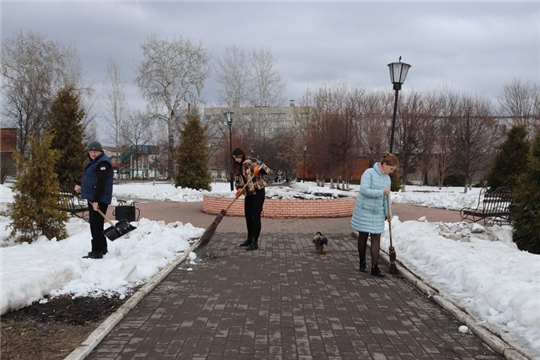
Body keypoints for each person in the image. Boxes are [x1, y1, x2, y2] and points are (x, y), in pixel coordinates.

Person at [351, 152, 399, 277]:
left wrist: (388, 213)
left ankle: (375, 267)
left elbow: (386, 198)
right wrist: (382, 192)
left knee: (376, 237)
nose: (392, 172)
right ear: (384, 164)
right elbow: (364, 191)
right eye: (391, 169)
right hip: (364, 210)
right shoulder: (369, 173)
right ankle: (362, 263)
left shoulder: (387, 179)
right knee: (363, 235)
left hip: (377, 212)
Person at [74, 141, 114, 259]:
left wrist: (96, 201)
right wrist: (78, 184)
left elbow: (100, 183)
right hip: (94, 197)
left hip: (99, 198)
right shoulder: (94, 162)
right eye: (91, 152)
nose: (93, 154)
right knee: (97, 223)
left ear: (100, 152)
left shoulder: (103, 164)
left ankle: (96, 251)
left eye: (95, 152)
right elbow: (88, 177)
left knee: (95, 225)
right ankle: (102, 247)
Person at [232, 148, 272, 251]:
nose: (236, 160)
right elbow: (238, 181)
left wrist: (259, 170)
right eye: (234, 158)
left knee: (255, 216)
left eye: (237, 157)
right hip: (248, 194)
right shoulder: (237, 168)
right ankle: (249, 239)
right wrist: (239, 188)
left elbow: (268, 170)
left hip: (258, 192)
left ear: (241, 155)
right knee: (248, 217)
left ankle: (255, 241)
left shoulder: (252, 161)